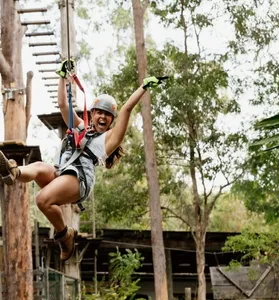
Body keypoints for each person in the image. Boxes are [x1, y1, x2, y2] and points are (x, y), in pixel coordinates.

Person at [0, 60, 164, 262]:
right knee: (39, 167)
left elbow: (127, 110)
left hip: (80, 179)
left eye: (108, 115)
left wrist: (144, 87)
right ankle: (12, 171)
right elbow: (62, 104)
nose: (103, 117)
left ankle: (65, 235)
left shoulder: (109, 139)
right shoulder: (81, 127)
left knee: (42, 200)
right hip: (62, 171)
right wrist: (62, 76)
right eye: (100, 113)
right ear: (92, 114)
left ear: (111, 120)